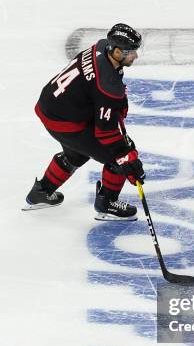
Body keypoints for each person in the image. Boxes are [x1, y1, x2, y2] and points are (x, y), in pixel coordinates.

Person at [23, 23, 145, 220]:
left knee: (77, 153)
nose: (135, 56)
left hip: (51, 107)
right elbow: (106, 133)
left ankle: (41, 192)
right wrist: (127, 158)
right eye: (131, 52)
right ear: (115, 52)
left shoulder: (100, 47)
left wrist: (116, 106)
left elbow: (92, 87)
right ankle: (107, 203)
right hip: (65, 120)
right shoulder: (107, 84)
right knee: (118, 156)